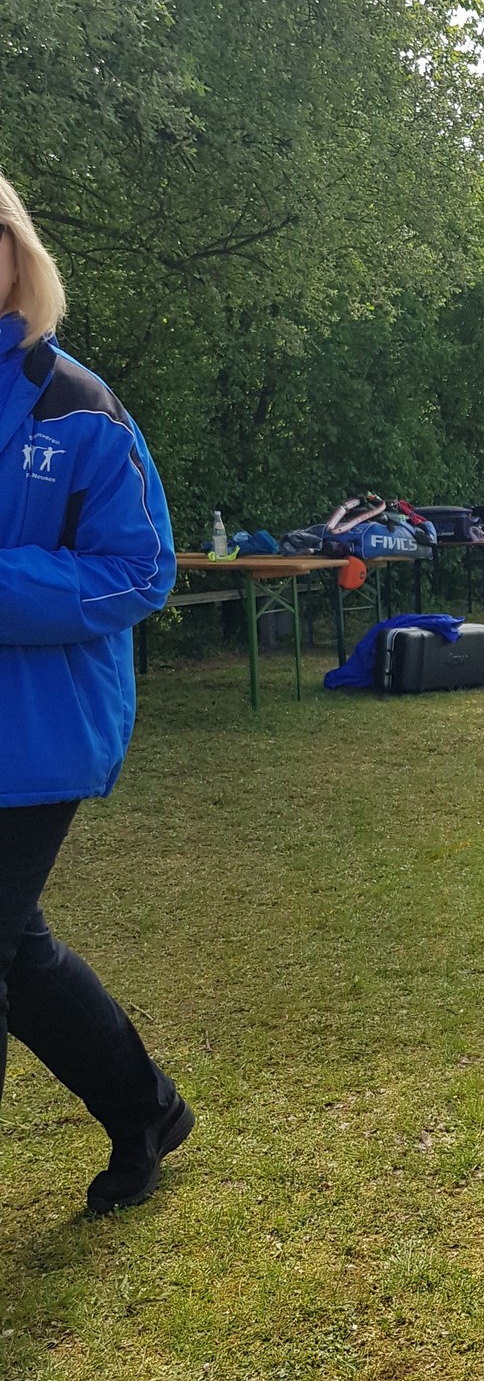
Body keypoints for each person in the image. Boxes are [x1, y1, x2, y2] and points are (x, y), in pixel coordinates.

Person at [0, 171, 190, 1212]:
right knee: (17, 950)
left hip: (37, 735)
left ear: (17, 252)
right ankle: (145, 1108)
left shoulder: (77, 406)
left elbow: (139, 571)